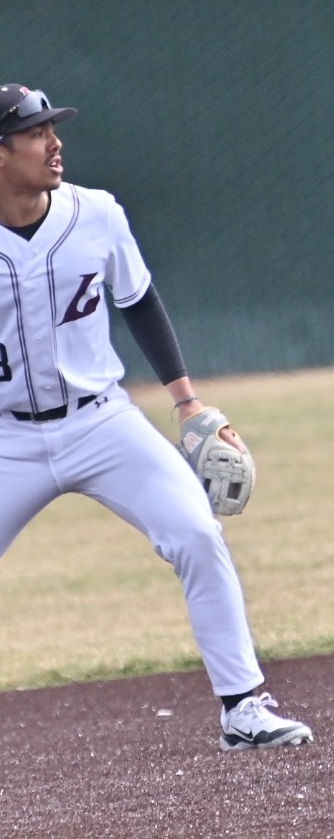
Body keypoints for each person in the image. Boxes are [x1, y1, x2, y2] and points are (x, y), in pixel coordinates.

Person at [0, 83, 312, 751]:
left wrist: (186, 401)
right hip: (6, 439)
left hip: (101, 423)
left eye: (55, 129)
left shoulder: (96, 214)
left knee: (196, 535)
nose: (55, 143)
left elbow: (138, 300)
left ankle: (243, 708)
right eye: (35, 133)